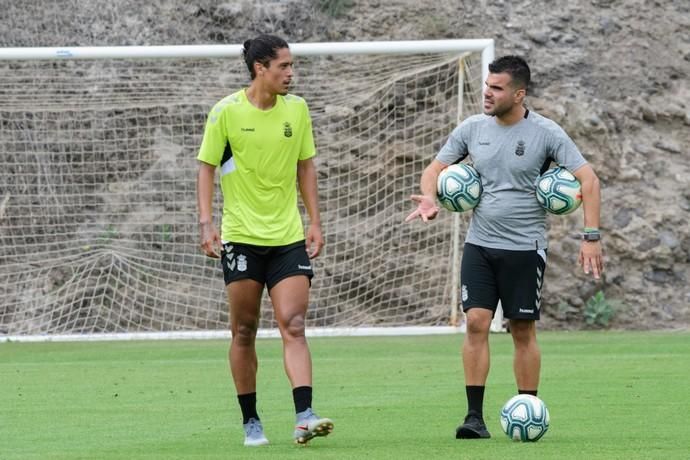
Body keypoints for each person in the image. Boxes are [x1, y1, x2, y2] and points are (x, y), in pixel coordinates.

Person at [405, 55, 603, 439]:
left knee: (522, 329)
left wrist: (591, 237)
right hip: (479, 245)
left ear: (519, 93)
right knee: (476, 322)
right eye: (487, 86)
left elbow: (589, 180)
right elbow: (434, 169)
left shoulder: (546, 133)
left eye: (496, 88)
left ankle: (527, 405)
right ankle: (474, 418)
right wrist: (430, 197)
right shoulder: (472, 128)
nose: (487, 93)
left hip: (526, 249)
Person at [196, 34, 333, 447]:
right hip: (240, 238)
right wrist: (206, 223)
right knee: (244, 330)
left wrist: (315, 220)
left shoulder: (298, 109)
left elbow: (305, 167)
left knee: (293, 323)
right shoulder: (226, 112)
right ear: (261, 69)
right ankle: (251, 421)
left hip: (288, 237)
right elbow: (205, 168)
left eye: (292, 66)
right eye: (284, 66)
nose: (291, 74)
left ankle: (304, 415)